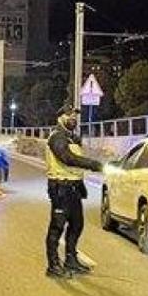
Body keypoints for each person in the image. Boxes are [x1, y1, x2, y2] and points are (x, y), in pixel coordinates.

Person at [44, 102, 103, 278]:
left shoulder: (72, 138)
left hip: (74, 188)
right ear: (60, 118)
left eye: (75, 116)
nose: (73, 118)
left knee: (77, 224)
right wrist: (92, 164)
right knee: (57, 227)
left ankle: (71, 259)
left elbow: (76, 159)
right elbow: (67, 158)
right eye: (69, 115)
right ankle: (53, 265)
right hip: (60, 187)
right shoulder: (57, 137)